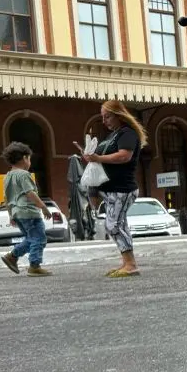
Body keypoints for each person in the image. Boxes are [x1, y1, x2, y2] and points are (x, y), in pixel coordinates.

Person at [75, 99, 147, 277]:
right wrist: (90, 156)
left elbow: (124, 156)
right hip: (112, 189)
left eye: (107, 117)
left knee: (113, 225)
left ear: (118, 115)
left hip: (122, 188)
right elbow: (102, 160)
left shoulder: (127, 134)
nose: (105, 121)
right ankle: (127, 263)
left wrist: (97, 159)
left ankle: (130, 264)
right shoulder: (113, 136)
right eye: (103, 117)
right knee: (120, 224)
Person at [0, 141, 52, 277]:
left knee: (31, 238)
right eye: (29, 158)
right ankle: (34, 265)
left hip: (17, 213)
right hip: (29, 212)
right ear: (24, 158)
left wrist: (11, 215)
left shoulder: (7, 177)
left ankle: (12, 257)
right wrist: (44, 207)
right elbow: (30, 193)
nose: (30, 162)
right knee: (39, 239)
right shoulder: (24, 175)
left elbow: (6, 198)